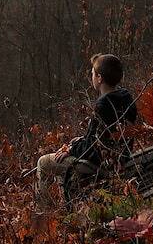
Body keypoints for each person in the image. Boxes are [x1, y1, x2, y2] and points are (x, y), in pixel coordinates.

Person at [35, 53, 138, 205]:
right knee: (64, 158)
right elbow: (102, 137)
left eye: (93, 73)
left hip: (102, 165)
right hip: (121, 158)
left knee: (43, 163)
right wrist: (78, 142)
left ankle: (44, 213)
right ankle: (66, 202)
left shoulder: (103, 106)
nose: (91, 76)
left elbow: (92, 149)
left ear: (99, 78)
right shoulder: (126, 98)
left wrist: (71, 149)